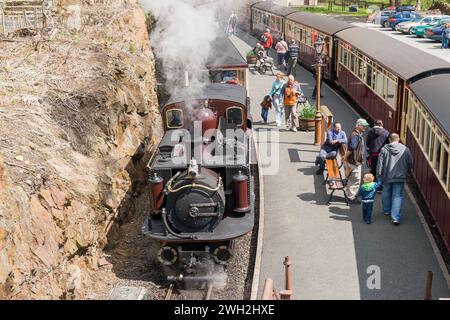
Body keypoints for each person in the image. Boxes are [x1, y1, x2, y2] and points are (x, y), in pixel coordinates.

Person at [377, 133, 413, 225]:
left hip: (387, 176)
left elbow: (380, 164)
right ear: (399, 139)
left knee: (386, 192)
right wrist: (408, 172)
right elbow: (410, 163)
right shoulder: (406, 149)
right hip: (400, 177)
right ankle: (395, 217)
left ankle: (386, 210)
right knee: (397, 196)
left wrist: (379, 175)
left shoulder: (384, 149)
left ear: (389, 139)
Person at [343, 118, 369, 202]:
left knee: (353, 178)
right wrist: (345, 157)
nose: (365, 127)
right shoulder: (355, 135)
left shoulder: (356, 134)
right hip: (354, 161)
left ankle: (350, 195)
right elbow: (352, 148)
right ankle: (351, 197)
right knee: (354, 179)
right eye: (363, 125)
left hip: (353, 161)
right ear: (358, 126)